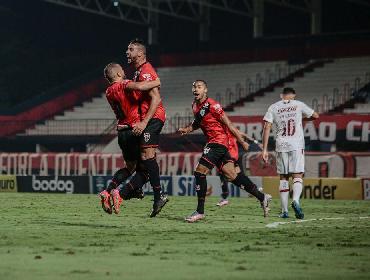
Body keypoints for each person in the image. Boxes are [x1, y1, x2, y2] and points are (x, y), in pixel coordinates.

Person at [178, 80, 272, 223]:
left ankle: (200, 211)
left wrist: (241, 141)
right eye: (194, 87)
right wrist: (187, 129)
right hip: (215, 143)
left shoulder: (213, 105)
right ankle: (262, 197)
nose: (196, 89)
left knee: (199, 173)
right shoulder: (195, 106)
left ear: (205, 90)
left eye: (199, 87)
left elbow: (229, 124)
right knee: (232, 175)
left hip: (219, 142)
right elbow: (197, 123)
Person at [99, 62, 160, 214]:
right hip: (133, 131)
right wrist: (156, 82)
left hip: (121, 132)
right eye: (122, 71)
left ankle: (108, 191)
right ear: (119, 74)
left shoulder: (108, 91)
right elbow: (139, 87)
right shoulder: (123, 85)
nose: (124, 72)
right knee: (145, 171)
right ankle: (120, 194)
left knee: (129, 168)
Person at [117, 38, 168, 218]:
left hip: (153, 118)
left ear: (140, 53)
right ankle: (138, 191)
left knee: (148, 156)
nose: (127, 52)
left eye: (130, 49)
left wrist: (144, 122)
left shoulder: (146, 71)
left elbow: (156, 99)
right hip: (147, 118)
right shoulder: (138, 72)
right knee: (144, 162)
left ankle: (158, 195)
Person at [262, 87, 319, 219]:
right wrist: (301, 119)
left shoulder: (273, 107)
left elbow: (267, 127)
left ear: (282, 95)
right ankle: (296, 200)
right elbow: (316, 115)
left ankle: (285, 211)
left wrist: (264, 149)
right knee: (297, 175)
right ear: (293, 95)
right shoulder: (298, 104)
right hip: (297, 144)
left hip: (281, 144)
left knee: (283, 177)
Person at [217, 131, 263, 207]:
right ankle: (256, 192)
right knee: (239, 177)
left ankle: (224, 198)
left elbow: (245, 135)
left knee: (227, 177)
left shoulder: (231, 131)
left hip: (230, 158)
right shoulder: (221, 133)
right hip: (227, 157)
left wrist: (257, 143)